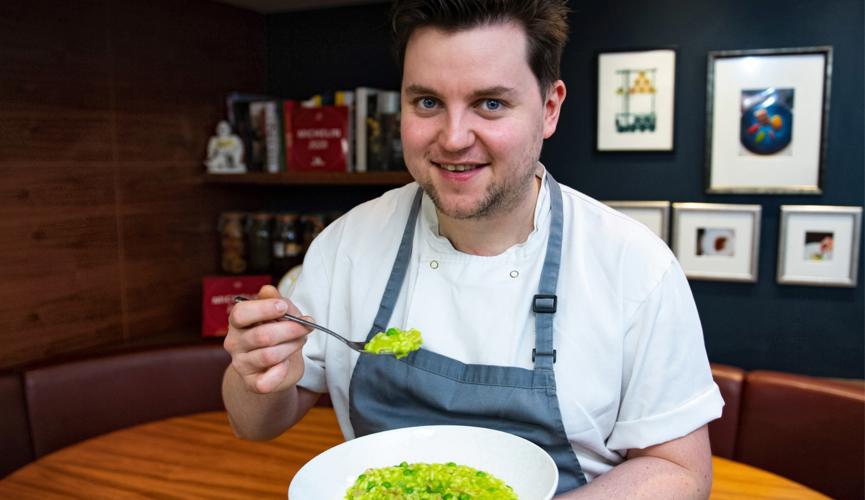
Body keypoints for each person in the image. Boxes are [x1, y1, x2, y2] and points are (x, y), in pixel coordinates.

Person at [222, 0, 723, 497]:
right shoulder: (347, 244)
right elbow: (255, 425)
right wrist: (258, 374)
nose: (454, 138)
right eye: (428, 103)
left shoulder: (634, 265)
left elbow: (680, 471)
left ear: (549, 109)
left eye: (490, 103)